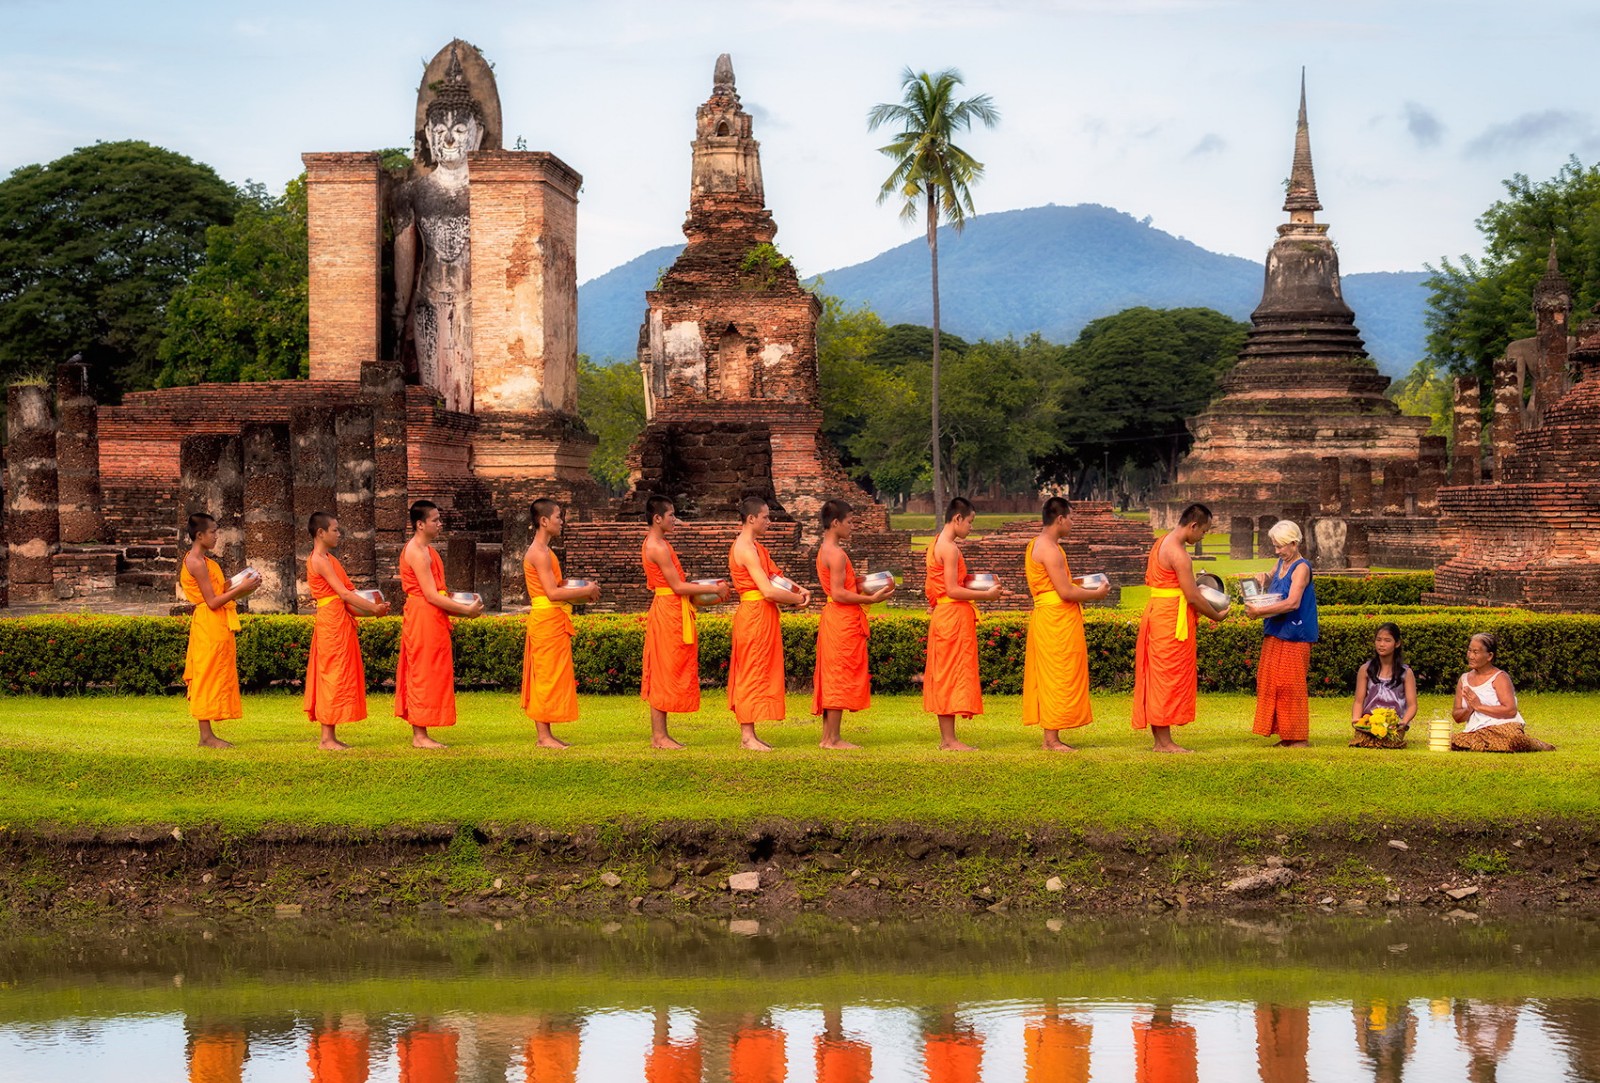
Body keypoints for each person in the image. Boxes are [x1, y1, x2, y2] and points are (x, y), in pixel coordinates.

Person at [1131, 504, 1226, 753]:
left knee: (1160, 675)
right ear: (1193, 526)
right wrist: (1216, 616)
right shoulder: (1179, 553)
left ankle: (1161, 739)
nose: (1203, 536)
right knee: (1166, 677)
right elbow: (1192, 597)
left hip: (1159, 612)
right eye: (1204, 531)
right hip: (1170, 619)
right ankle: (1164, 742)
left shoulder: (1162, 541)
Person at [1022, 497, 1110, 751]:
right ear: (1060, 519)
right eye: (1071, 518)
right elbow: (1065, 592)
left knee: (1058, 674)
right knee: (1057, 676)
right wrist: (1096, 594)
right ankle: (1051, 739)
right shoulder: (1048, 548)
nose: (1073, 523)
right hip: (1055, 619)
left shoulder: (1040, 545)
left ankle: (1052, 735)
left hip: (1053, 616)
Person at [641, 495, 729, 749]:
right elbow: (678, 586)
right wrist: (713, 587)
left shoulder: (661, 543)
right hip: (668, 611)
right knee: (663, 671)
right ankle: (659, 736)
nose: (675, 520)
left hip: (674, 609)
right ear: (657, 519)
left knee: (670, 669)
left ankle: (662, 734)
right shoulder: (656, 546)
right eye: (671, 515)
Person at [395, 500, 483, 749]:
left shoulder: (429, 550)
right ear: (420, 524)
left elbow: (439, 592)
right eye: (435, 520)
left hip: (432, 616)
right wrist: (465, 610)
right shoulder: (416, 551)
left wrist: (461, 603)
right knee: (422, 672)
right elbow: (431, 595)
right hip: (423, 615)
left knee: (433, 671)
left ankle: (424, 730)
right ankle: (419, 735)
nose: (439, 524)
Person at [728, 496, 810, 751]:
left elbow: (775, 578)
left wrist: (800, 589)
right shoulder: (745, 548)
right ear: (751, 519)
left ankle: (751, 732)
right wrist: (797, 599)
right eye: (765, 517)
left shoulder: (757, 547)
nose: (769, 521)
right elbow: (769, 591)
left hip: (763, 615)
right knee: (751, 670)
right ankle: (746, 736)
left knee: (760, 668)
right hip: (754, 614)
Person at [304, 513, 389, 751]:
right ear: (320, 533)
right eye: (335, 530)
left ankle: (330, 735)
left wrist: (374, 609)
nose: (338, 533)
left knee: (338, 674)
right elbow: (344, 594)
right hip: (331, 621)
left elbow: (349, 596)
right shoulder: (319, 560)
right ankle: (326, 738)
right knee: (331, 674)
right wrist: (373, 608)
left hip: (339, 620)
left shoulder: (330, 559)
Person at [813, 499, 894, 749]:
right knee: (839, 675)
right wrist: (870, 598)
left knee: (834, 674)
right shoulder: (836, 554)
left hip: (835, 617)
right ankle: (833, 739)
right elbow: (839, 593)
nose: (852, 527)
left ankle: (828, 736)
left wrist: (860, 585)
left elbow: (841, 588)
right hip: (841, 618)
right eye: (849, 522)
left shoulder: (824, 549)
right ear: (835, 523)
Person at [924, 498, 1002, 751]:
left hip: (945, 615)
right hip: (952, 617)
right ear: (957, 519)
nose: (971, 527)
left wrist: (983, 583)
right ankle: (949, 740)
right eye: (970, 522)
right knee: (950, 675)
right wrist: (986, 596)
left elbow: (948, 586)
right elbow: (952, 589)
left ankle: (948, 738)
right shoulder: (950, 549)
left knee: (946, 674)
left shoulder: (936, 543)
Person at [521, 499, 601, 750]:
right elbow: (552, 594)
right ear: (544, 521)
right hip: (546, 620)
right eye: (558, 517)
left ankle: (547, 733)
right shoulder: (538, 553)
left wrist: (584, 591)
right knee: (546, 676)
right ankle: (543, 737)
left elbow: (557, 587)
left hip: (553, 619)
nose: (561, 521)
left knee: (552, 675)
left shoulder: (547, 552)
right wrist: (585, 590)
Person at [180, 512, 259, 749]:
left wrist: (243, 583)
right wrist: (240, 588)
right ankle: (206, 736)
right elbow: (212, 602)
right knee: (206, 675)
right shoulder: (195, 562)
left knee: (215, 673)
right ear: (200, 535)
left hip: (217, 622)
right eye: (213, 532)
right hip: (208, 622)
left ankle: (208, 734)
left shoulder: (208, 562)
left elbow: (218, 593)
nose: (216, 536)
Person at [1243, 519, 1319, 748]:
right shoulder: (1280, 563)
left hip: (1295, 632)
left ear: (1294, 544)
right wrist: (1263, 578)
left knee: (1290, 684)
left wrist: (1259, 612)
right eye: (1275, 546)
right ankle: (1285, 734)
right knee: (1271, 682)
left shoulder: (1301, 568)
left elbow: (1293, 603)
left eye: (1280, 546)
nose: (1277, 551)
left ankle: (1298, 737)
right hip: (1276, 630)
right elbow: (1271, 576)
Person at [1451, 632, 1555, 752]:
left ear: (1489, 656)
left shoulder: (1499, 677)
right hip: (1476, 732)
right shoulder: (1464, 679)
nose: (1470, 656)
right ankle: (1491, 746)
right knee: (1452, 742)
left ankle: (1534, 744)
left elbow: (1510, 710)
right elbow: (1457, 716)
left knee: (1515, 742)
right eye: (1469, 651)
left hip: (1503, 728)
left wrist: (1479, 706)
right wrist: (1470, 708)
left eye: (1476, 652)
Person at [1351, 622, 1417, 741]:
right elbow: (1359, 701)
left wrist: (1404, 722)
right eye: (1379, 640)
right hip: (1370, 722)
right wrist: (1356, 719)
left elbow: (1412, 705)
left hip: (1394, 724)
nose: (1382, 644)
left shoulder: (1406, 673)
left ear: (1397, 644)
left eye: (1387, 640)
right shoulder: (1365, 669)